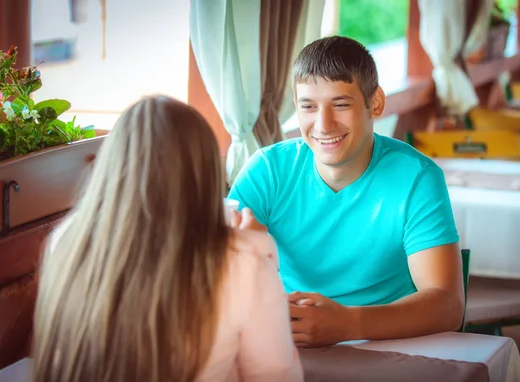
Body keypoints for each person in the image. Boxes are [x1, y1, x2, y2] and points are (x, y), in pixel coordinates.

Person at [32, 96, 303, 382]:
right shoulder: (240, 259)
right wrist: (261, 252)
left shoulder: (66, 239)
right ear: (204, 174)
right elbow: (276, 374)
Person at [228, 36, 465, 348]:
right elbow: (216, 276)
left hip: (391, 343)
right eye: (308, 107)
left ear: (375, 103)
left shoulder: (417, 177)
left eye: (340, 104)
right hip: (291, 340)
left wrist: (347, 324)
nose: (323, 124)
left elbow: (447, 305)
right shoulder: (267, 170)